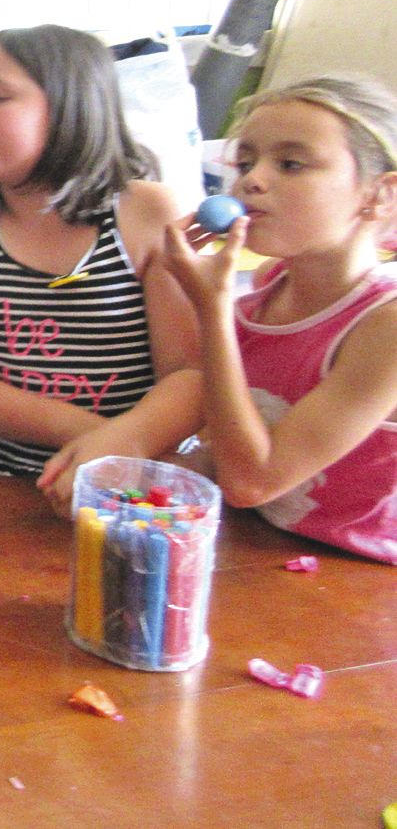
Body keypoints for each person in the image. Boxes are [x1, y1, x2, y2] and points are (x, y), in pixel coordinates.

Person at [0, 25, 201, 486]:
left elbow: (188, 373)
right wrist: (99, 441)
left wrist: (125, 447)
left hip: (134, 478)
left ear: (71, 109)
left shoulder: (148, 214)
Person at [143, 76, 397, 563]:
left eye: (291, 164)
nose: (251, 181)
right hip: (263, 546)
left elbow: (252, 481)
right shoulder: (266, 290)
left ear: (379, 195)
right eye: (245, 163)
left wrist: (212, 308)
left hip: (359, 577)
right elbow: (226, 446)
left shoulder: (384, 326)